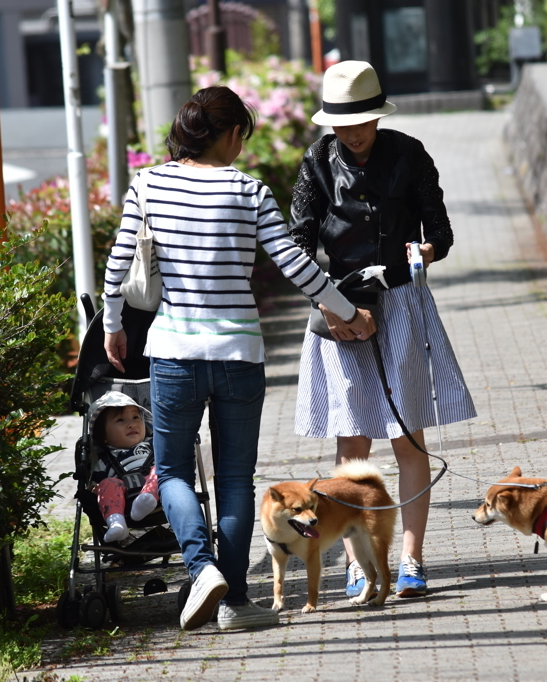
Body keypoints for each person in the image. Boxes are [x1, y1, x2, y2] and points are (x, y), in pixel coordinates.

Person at [102, 86, 375, 632]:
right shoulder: (248, 190)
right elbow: (295, 264)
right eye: (241, 138)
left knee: (175, 471)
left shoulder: (147, 183)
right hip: (239, 354)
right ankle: (235, 603)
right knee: (233, 479)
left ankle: (201, 568)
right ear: (231, 135)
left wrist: (112, 325)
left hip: (175, 351)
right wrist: (348, 311)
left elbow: (118, 263)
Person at [289, 61, 477, 598]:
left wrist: (427, 249)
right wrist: (326, 302)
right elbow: (298, 242)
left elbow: (439, 228)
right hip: (341, 307)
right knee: (352, 443)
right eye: (342, 124)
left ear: (378, 115)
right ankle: (357, 563)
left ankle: (412, 560)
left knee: (408, 435)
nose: (352, 133)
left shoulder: (409, 154)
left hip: (401, 303)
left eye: (362, 121)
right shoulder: (317, 162)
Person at [88, 391, 159, 543]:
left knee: (161, 469)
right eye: (120, 420)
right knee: (106, 484)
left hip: (157, 495)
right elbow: (96, 486)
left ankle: (147, 498)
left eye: (135, 417)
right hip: (123, 497)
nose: (132, 424)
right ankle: (116, 523)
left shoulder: (154, 444)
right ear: (104, 436)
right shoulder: (105, 461)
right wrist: (96, 488)